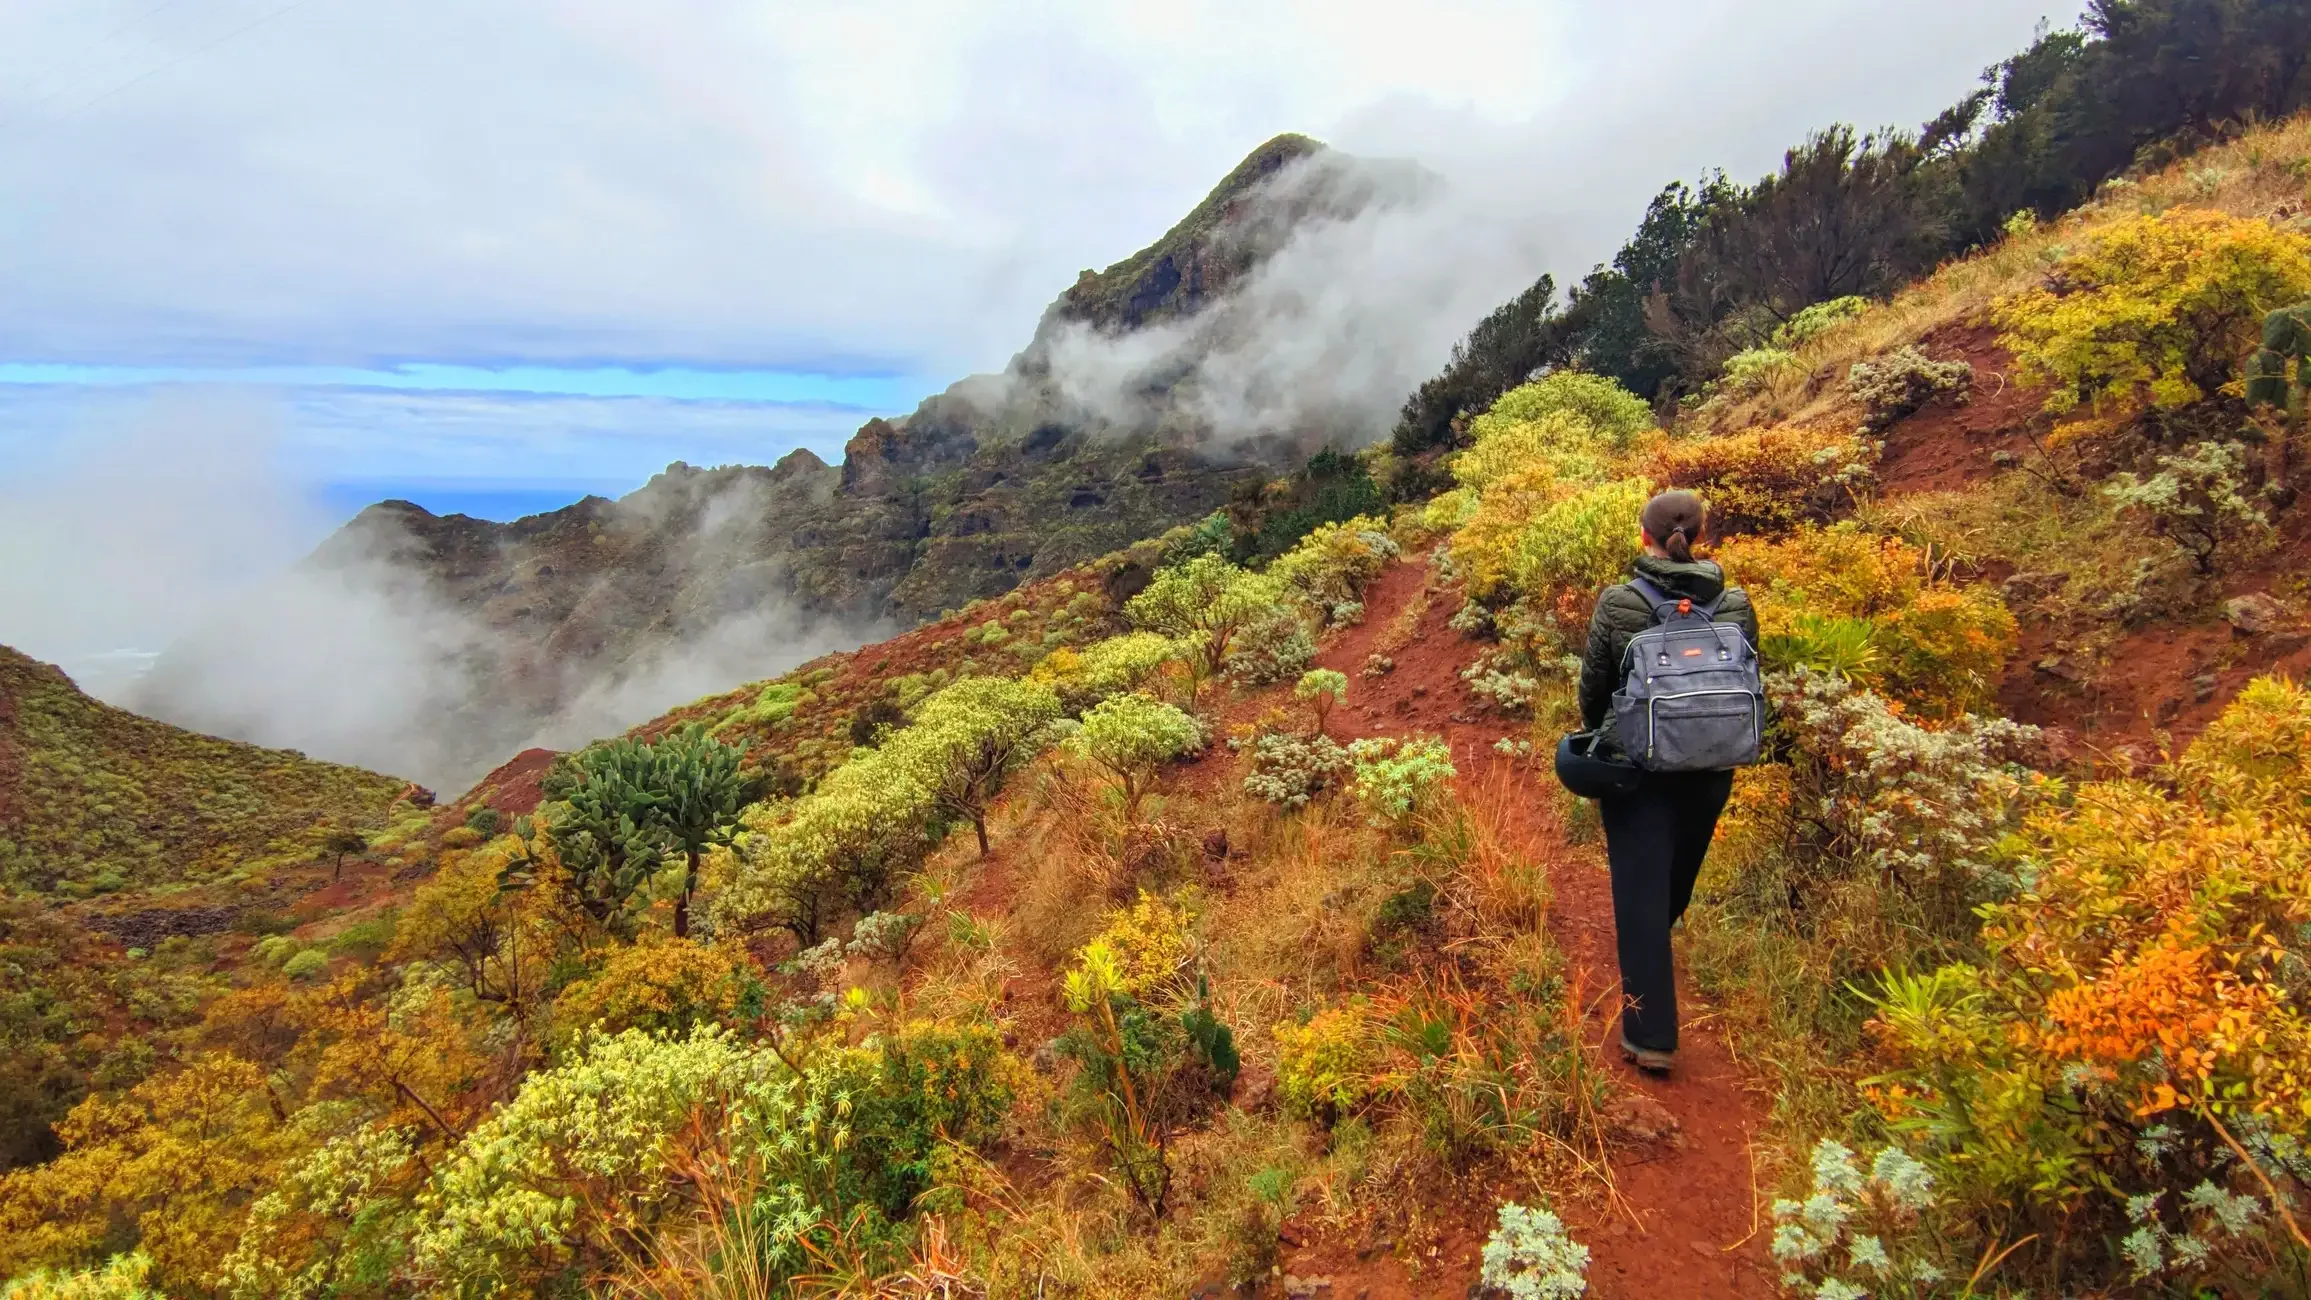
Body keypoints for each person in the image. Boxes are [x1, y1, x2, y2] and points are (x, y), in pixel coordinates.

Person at [1575, 489, 1757, 1075]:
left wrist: (1604, 733)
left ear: (1643, 537)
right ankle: (1659, 933)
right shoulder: (1734, 602)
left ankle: (1651, 1037)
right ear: (1700, 535)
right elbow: (1752, 679)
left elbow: (1594, 686)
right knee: (1674, 880)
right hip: (1712, 766)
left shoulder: (1618, 602)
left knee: (1639, 897)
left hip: (1639, 769)